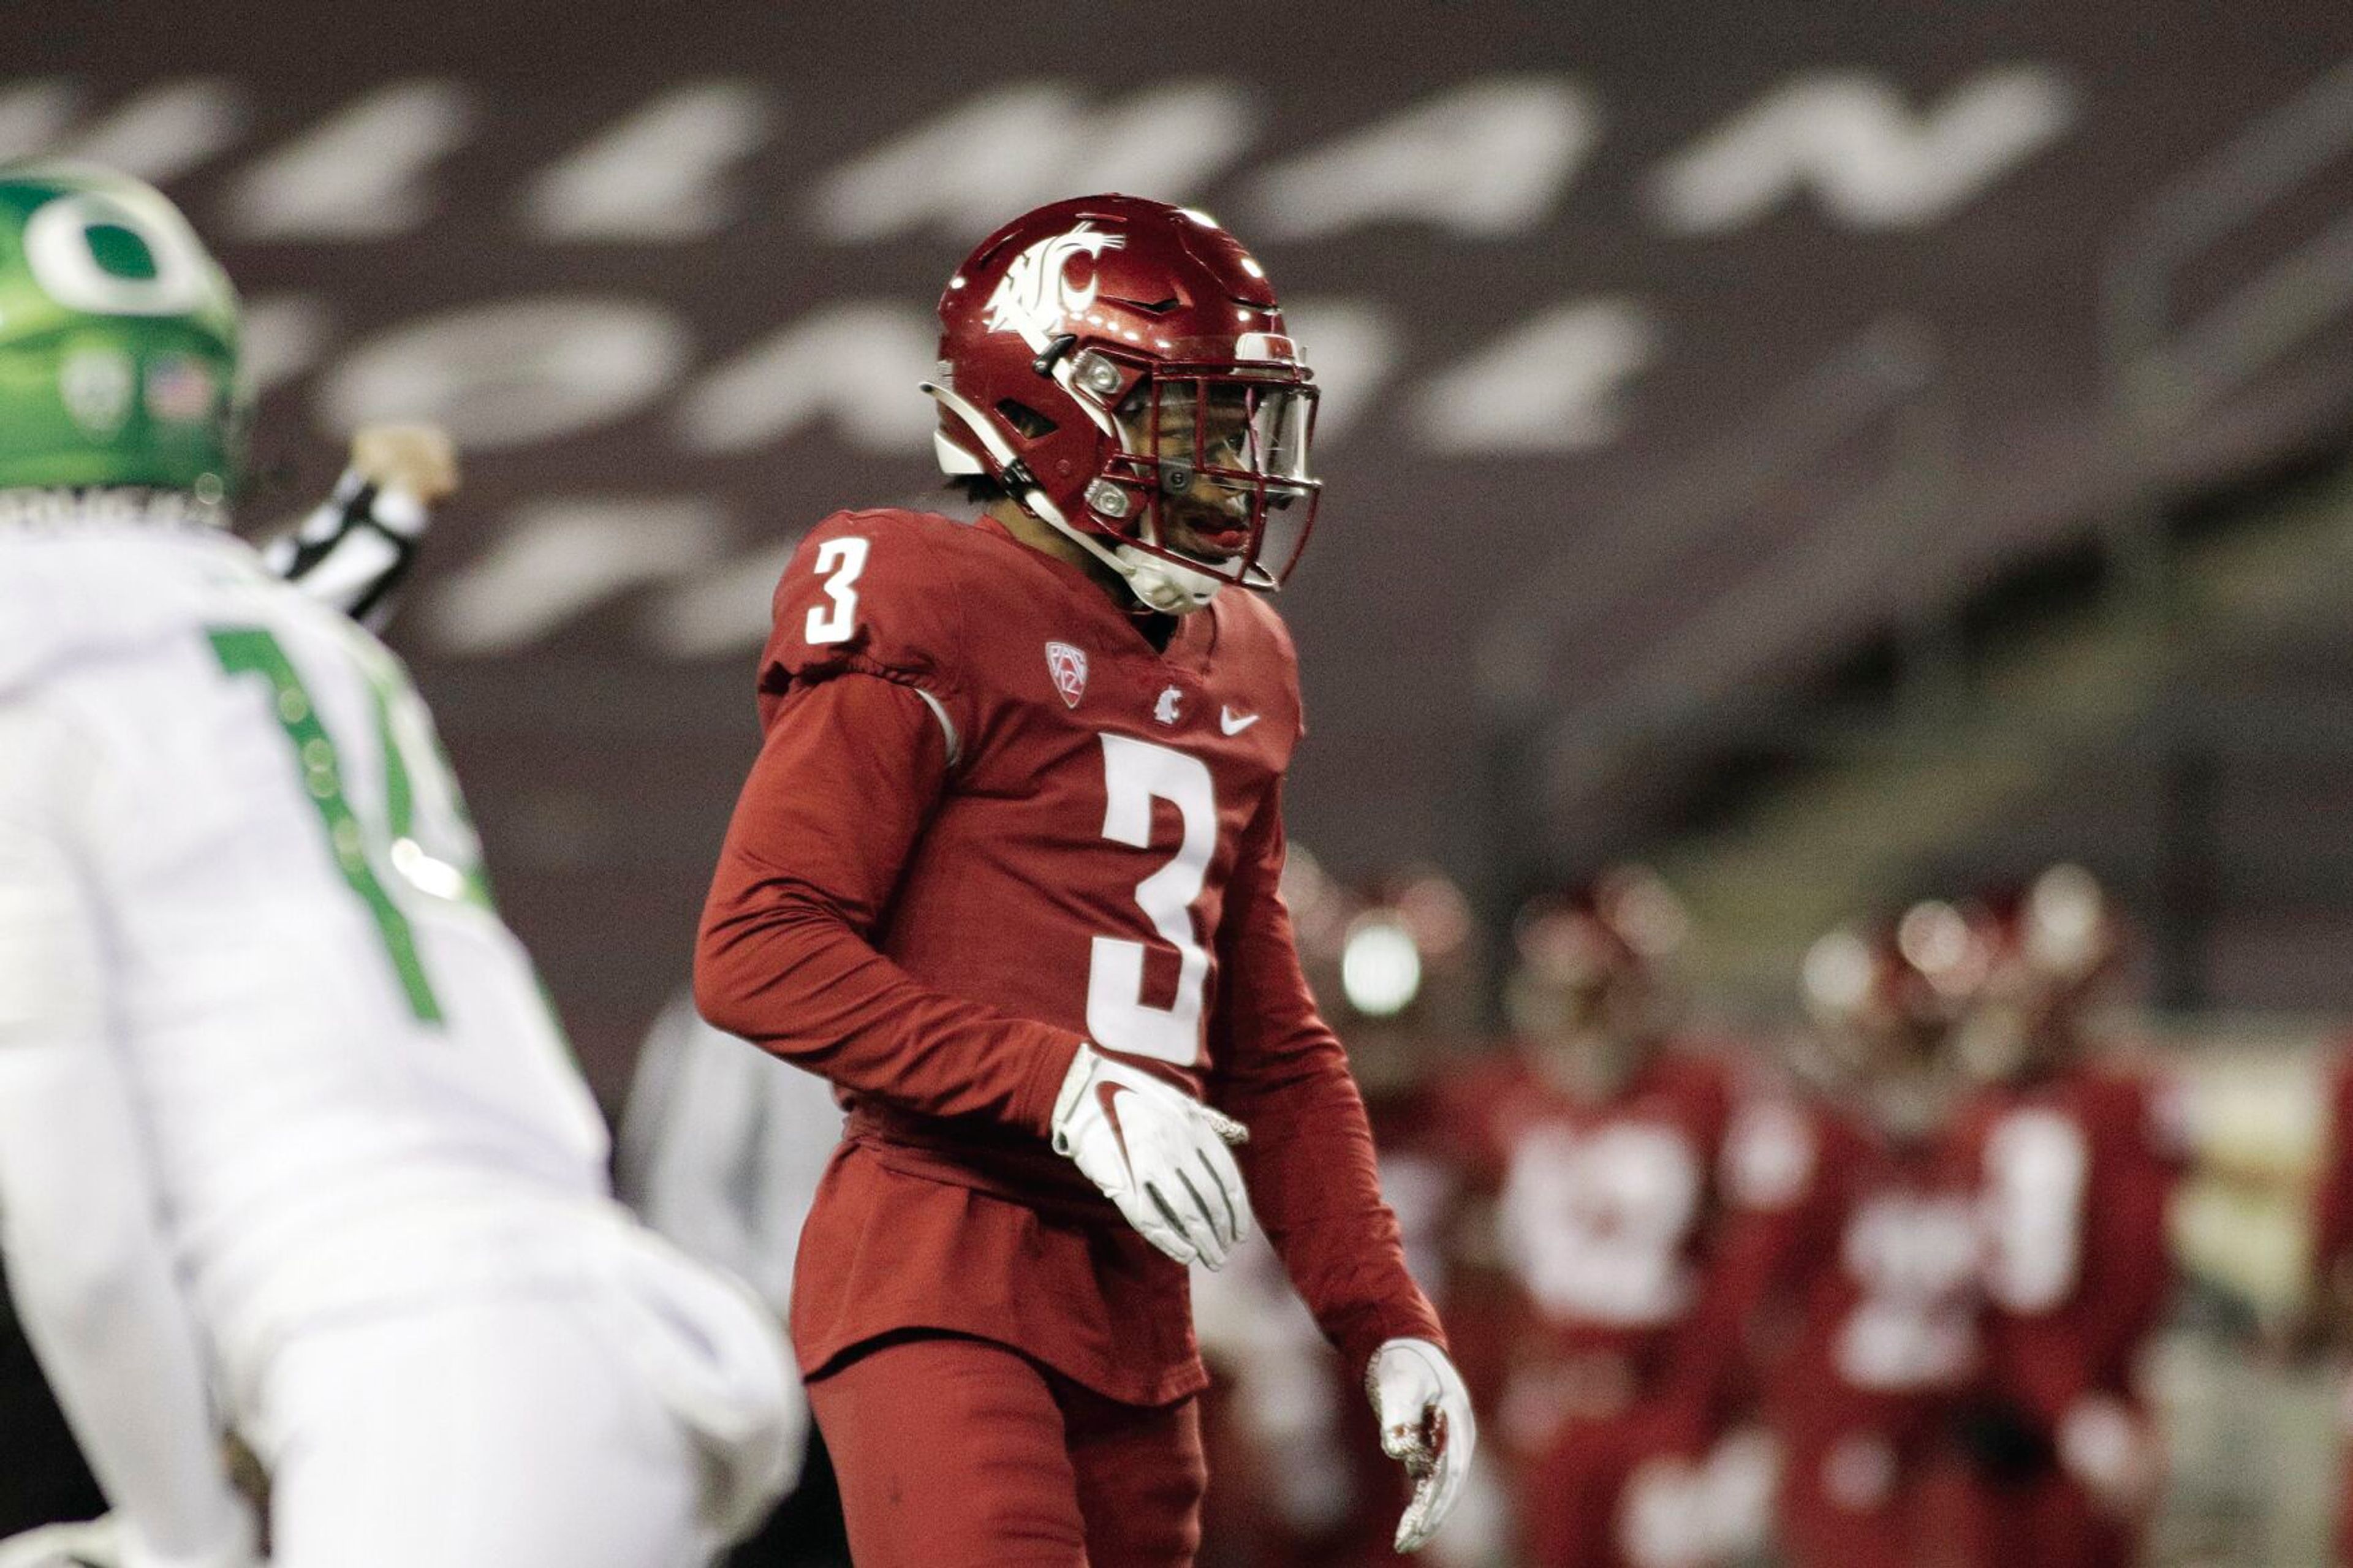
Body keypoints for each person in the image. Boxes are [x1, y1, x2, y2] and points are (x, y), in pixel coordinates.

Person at [0, 161, 795, 1568]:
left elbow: (74, 1209)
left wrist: (183, 1530)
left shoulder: (28, 652)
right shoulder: (298, 630)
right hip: (588, 1331)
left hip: (419, 1365)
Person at [695, 192, 1475, 1566]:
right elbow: (757, 946)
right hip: (941, 1252)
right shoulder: (922, 592)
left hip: (1136, 1302)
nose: (1236, 468)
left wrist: (1386, 1316)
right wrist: (1061, 1080)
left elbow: (1273, 1049)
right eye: (1197, 424)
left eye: (1243, 426)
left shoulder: (1243, 656)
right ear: (1060, 409)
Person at [1442, 871, 1751, 1568]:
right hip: (1541, 1410)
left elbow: (1742, 1281)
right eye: (1572, 998)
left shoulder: (1706, 1095)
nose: (1587, 1023)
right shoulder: (1493, 1101)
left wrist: (1717, 1431)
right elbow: (1467, 1285)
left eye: (1605, 996)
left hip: (1663, 1404)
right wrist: (1461, 1433)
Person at [1947, 866, 2179, 1567]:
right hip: (2005, 1415)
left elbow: (2136, 1266)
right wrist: (2075, 1407)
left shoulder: (2114, 1102)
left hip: (2082, 1397)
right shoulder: (2002, 1119)